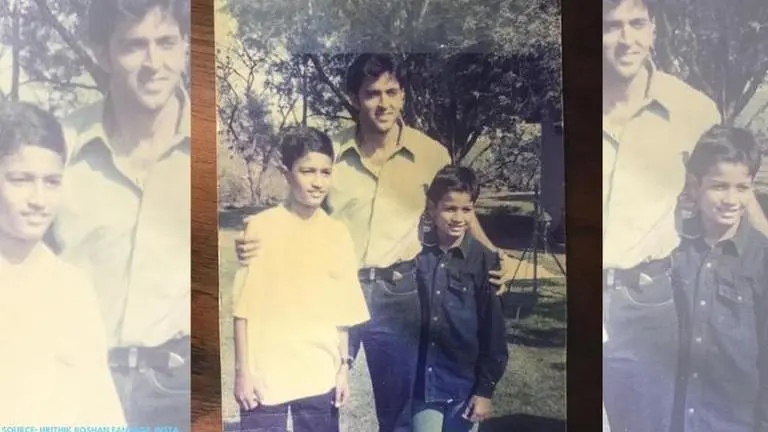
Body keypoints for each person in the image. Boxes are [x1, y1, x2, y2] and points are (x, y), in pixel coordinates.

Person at [235, 53, 516, 432]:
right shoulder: (331, 152)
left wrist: (496, 256)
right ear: (355, 98)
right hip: (334, 290)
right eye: (371, 93)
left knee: (397, 411)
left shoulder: (430, 154)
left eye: (392, 92)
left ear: (403, 96)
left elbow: (458, 206)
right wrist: (257, 233)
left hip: (399, 294)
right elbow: (299, 197)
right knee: (319, 393)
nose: (382, 103)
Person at [49, 0, 191, 428]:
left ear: (185, 45)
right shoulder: (58, 149)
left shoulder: (208, 148)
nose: (154, 63)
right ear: (103, 53)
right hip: (75, 384)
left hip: (177, 386)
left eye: (166, 42)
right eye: (133, 46)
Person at [232, 127, 370, 432]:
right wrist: (243, 372)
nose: (318, 182)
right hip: (267, 373)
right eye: (307, 171)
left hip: (318, 371)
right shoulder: (260, 228)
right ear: (286, 173)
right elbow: (242, 310)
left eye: (325, 172)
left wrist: (342, 370)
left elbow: (344, 312)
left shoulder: (338, 235)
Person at [0, 102, 125, 427]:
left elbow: (100, 406)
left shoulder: (72, 288)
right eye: (20, 180)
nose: (38, 200)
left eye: (52, 182)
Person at [669, 126, 768, 432]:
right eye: (719, 186)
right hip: (671, 415)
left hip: (734, 421)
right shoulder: (671, 248)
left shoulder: (761, 260)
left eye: (742, 187)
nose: (731, 199)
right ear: (695, 186)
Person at [411, 166, 508, 432]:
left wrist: (485, 390)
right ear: (432, 208)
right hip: (423, 386)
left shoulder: (486, 261)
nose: (458, 217)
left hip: (465, 388)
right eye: (449, 208)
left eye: (467, 209)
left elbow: (494, 334)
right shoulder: (416, 256)